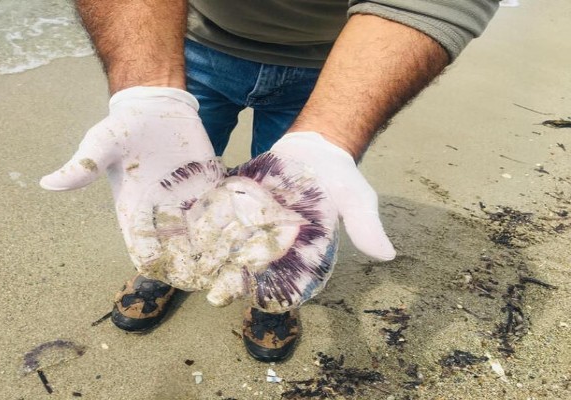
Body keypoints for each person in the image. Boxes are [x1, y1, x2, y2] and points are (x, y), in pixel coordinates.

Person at [40, 0, 499, 362]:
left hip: (340, 63)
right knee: (172, 180)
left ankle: (272, 295)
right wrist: (147, 92)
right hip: (188, 44)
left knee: (299, 196)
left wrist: (330, 137)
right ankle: (168, 262)